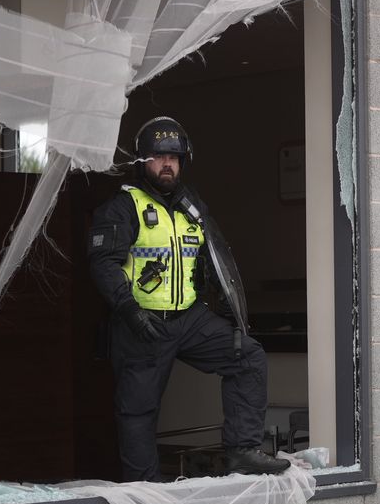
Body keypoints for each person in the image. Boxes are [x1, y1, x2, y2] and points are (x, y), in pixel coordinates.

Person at [88, 117, 288, 481]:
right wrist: (129, 311)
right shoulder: (122, 207)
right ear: (142, 161)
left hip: (189, 319)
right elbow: (103, 264)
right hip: (142, 323)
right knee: (138, 412)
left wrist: (229, 309)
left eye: (175, 158)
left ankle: (243, 450)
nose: (168, 164)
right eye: (158, 157)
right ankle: (145, 491)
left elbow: (213, 257)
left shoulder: (189, 205)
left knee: (248, 356)